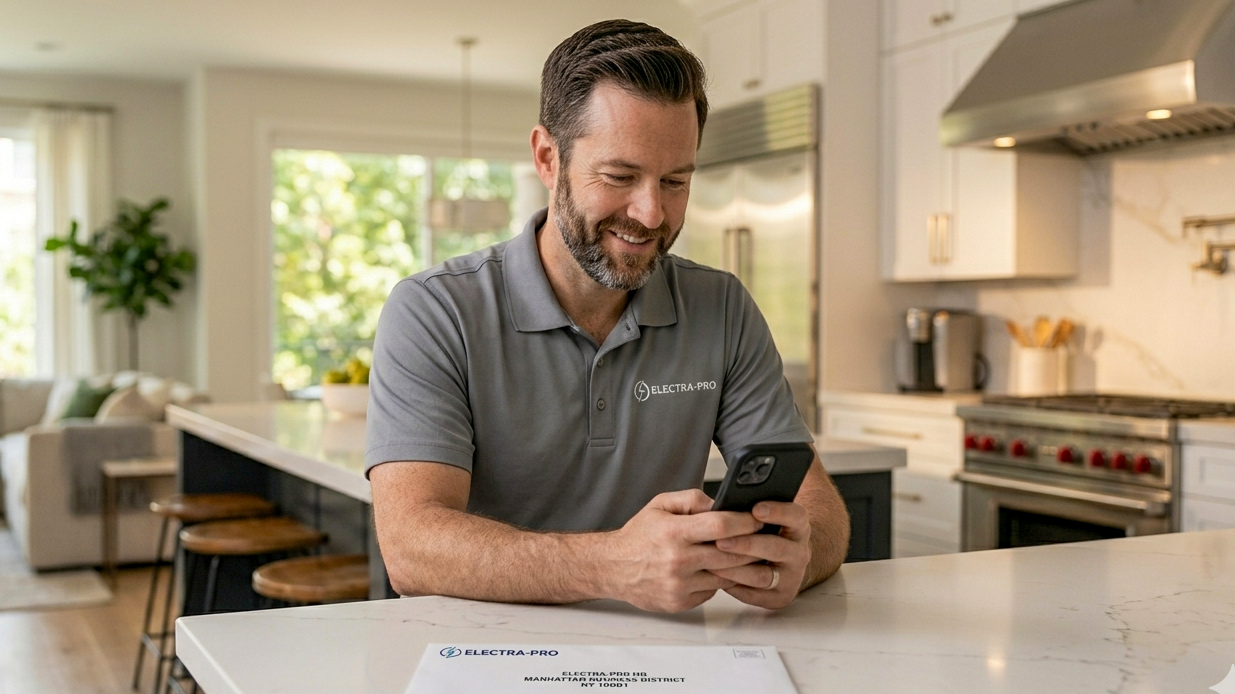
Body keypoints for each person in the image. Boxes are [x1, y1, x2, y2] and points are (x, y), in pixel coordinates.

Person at [366, 19, 850, 613]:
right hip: (487, 655)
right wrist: (615, 566)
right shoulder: (434, 311)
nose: (651, 213)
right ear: (548, 158)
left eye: (675, 181)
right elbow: (411, 547)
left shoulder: (721, 307)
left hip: (669, 655)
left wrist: (799, 553)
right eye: (620, 177)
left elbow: (819, 506)